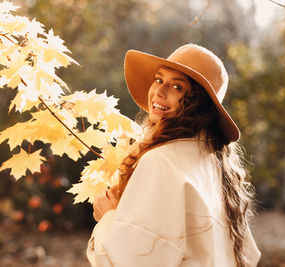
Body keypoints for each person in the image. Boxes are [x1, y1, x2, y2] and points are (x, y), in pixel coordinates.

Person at [86, 44, 261, 267]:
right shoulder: (218, 166)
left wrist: (108, 217)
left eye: (177, 86)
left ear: (198, 104)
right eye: (158, 80)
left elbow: (128, 261)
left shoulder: (160, 161)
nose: (159, 91)